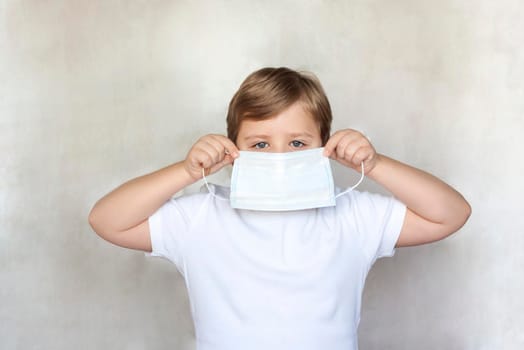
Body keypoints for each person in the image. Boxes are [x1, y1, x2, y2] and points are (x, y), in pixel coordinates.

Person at [88, 67, 471, 350]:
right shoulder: (200, 217)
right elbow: (107, 220)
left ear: (325, 147)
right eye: (260, 144)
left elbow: (450, 213)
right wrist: (186, 171)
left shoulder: (352, 214)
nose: (279, 156)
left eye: (298, 143)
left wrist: (375, 164)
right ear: (231, 151)